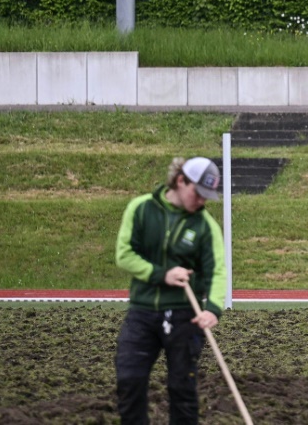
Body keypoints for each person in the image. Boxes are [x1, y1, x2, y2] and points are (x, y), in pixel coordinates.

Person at [113, 156, 227, 425]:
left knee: (182, 389)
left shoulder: (205, 226)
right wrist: (161, 274)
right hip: (142, 313)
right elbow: (124, 254)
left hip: (185, 317)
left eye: (206, 196)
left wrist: (212, 309)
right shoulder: (140, 209)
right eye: (198, 193)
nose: (202, 201)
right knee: (130, 379)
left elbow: (217, 272)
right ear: (180, 181)